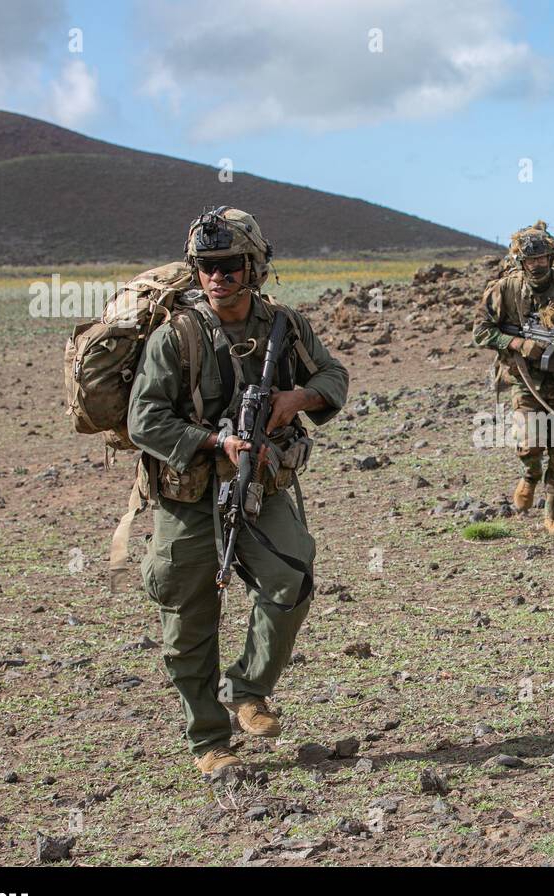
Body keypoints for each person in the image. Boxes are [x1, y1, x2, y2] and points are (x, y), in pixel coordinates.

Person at [128, 206, 349, 777]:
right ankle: (208, 740)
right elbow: (143, 420)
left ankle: (248, 689)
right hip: (189, 496)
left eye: (230, 265)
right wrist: (210, 441)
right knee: (188, 614)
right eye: (206, 266)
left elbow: (333, 377)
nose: (218, 277)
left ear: (254, 266)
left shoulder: (283, 327)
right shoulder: (176, 336)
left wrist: (295, 400)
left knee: (291, 575)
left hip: (262, 488)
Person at [472, 221, 554, 534]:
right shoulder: (507, 288)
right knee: (530, 443)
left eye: (543, 258)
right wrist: (518, 343)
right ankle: (529, 476)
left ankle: (553, 516)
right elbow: (481, 331)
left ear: (552, 257)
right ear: (521, 262)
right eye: (531, 260)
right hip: (526, 378)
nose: (537, 265)